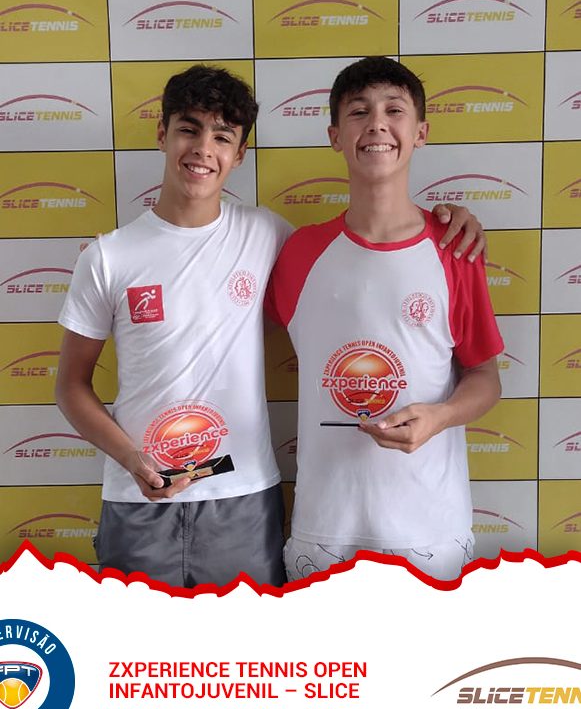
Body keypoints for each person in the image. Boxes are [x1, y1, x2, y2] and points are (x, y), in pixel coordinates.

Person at [56, 64, 489, 589]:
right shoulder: (110, 256)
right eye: (189, 129)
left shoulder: (270, 236)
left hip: (246, 496)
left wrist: (453, 219)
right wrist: (131, 457)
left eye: (222, 137)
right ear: (162, 133)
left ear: (239, 154)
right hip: (138, 500)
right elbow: (71, 384)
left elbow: (373, 260)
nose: (203, 149)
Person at [266, 57, 503, 582]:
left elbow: (485, 377)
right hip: (324, 530)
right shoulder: (297, 252)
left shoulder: (455, 249)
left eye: (394, 110)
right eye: (359, 112)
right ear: (335, 136)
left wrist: (440, 416)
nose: (376, 124)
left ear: (421, 132)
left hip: (430, 531)